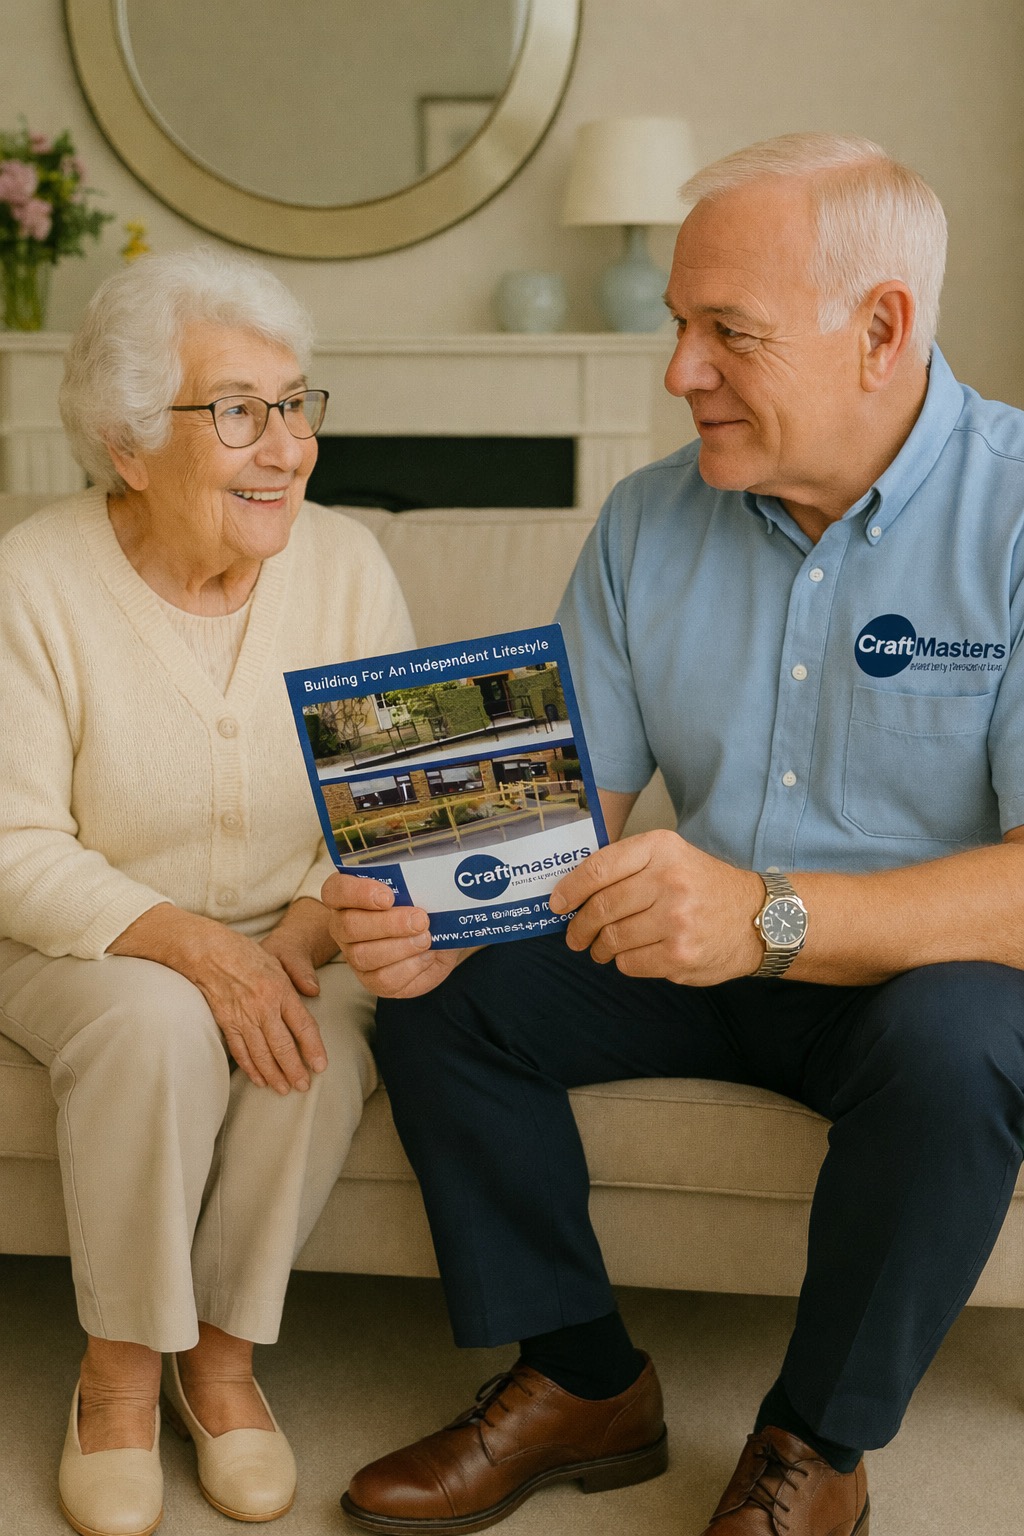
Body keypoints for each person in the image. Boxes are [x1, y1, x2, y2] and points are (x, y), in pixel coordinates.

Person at [322, 132, 1024, 1536]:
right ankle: (582, 1380)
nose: (678, 371)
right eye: (677, 325)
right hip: (695, 952)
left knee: (966, 1049)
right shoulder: (649, 518)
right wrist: (424, 909)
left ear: (880, 330)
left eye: (728, 332)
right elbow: (562, 815)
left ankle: (815, 1445)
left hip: (909, 980)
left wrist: (766, 916)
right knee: (446, 998)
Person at [0, 249, 413, 1536]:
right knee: (158, 1024)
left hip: (297, 930)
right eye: (237, 412)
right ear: (128, 445)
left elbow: (386, 812)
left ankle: (220, 1364)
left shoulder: (347, 567)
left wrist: (300, 929)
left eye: (294, 405)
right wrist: (191, 946)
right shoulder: (34, 577)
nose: (285, 447)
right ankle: (119, 1376)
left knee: (313, 1039)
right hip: (80, 938)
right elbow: (10, 842)